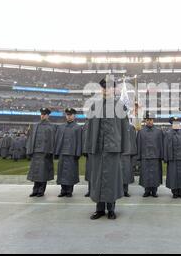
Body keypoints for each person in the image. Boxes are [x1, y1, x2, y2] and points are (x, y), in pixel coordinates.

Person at [84, 76, 130, 220]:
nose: (106, 89)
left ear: (114, 89)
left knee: (112, 179)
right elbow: (89, 128)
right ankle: (99, 209)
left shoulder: (120, 106)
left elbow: (124, 128)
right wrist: (89, 147)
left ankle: (111, 209)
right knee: (97, 179)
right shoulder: (94, 105)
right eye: (104, 87)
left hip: (113, 149)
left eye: (109, 87)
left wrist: (124, 148)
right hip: (98, 149)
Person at [26, 107, 56, 197]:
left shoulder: (51, 126)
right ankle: (35, 190)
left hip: (45, 152)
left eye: (44, 114)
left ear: (48, 115)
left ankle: (41, 190)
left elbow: (52, 140)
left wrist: (50, 152)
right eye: (42, 114)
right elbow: (30, 139)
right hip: (35, 152)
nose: (42, 116)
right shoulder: (35, 125)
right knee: (35, 172)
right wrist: (29, 150)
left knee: (43, 172)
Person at [54, 107, 82, 198]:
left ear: (74, 116)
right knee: (62, 172)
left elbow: (79, 142)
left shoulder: (77, 127)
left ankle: (69, 191)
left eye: (71, 115)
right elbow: (57, 140)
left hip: (71, 153)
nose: (69, 117)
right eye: (67, 115)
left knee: (71, 173)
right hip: (62, 152)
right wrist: (56, 152)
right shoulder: (61, 127)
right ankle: (63, 190)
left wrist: (78, 153)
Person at [163, 116, 181, 199]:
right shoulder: (168, 133)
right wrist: (166, 158)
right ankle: (174, 192)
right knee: (173, 175)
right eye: (174, 123)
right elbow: (165, 146)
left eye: (177, 123)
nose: (176, 125)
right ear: (172, 124)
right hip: (172, 158)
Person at [137, 111, 164, 198]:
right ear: (145, 120)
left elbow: (161, 144)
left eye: (151, 119)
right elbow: (138, 144)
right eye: (147, 119)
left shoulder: (158, 131)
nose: (149, 121)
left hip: (155, 156)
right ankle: (147, 190)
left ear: (153, 120)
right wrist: (138, 157)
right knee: (146, 174)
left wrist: (162, 156)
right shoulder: (141, 132)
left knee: (155, 174)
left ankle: (154, 191)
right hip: (145, 156)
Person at [121, 123, 137, 197]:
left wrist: (133, 154)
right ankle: (117, 191)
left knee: (126, 174)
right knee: (116, 174)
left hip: (127, 153)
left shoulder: (130, 127)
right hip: (117, 153)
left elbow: (133, 140)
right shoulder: (115, 125)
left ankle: (125, 190)